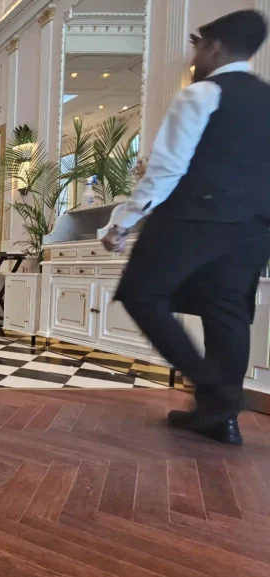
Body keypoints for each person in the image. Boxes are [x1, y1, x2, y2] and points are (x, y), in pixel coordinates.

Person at [100, 10, 270, 445]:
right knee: (227, 309)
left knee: (141, 293)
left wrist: (123, 222)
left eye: (197, 48)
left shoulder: (202, 94)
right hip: (255, 226)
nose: (194, 59)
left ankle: (216, 392)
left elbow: (167, 168)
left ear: (213, 47)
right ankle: (219, 419)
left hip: (196, 215)